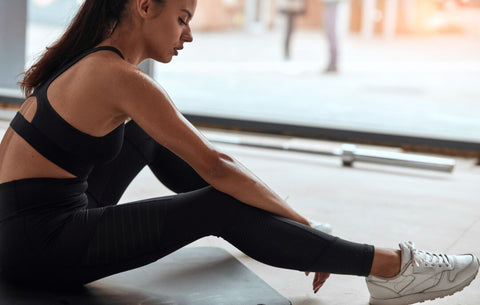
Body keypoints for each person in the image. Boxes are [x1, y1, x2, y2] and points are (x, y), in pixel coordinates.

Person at [0, 0, 477, 304]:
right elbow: (217, 166)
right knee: (220, 203)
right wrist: (303, 226)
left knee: (147, 139)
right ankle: (388, 267)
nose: (188, 34)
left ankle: (288, 236)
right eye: (182, 18)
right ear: (145, 6)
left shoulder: (85, 65)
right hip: (41, 249)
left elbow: (191, 163)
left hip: (21, 234)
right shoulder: (120, 78)